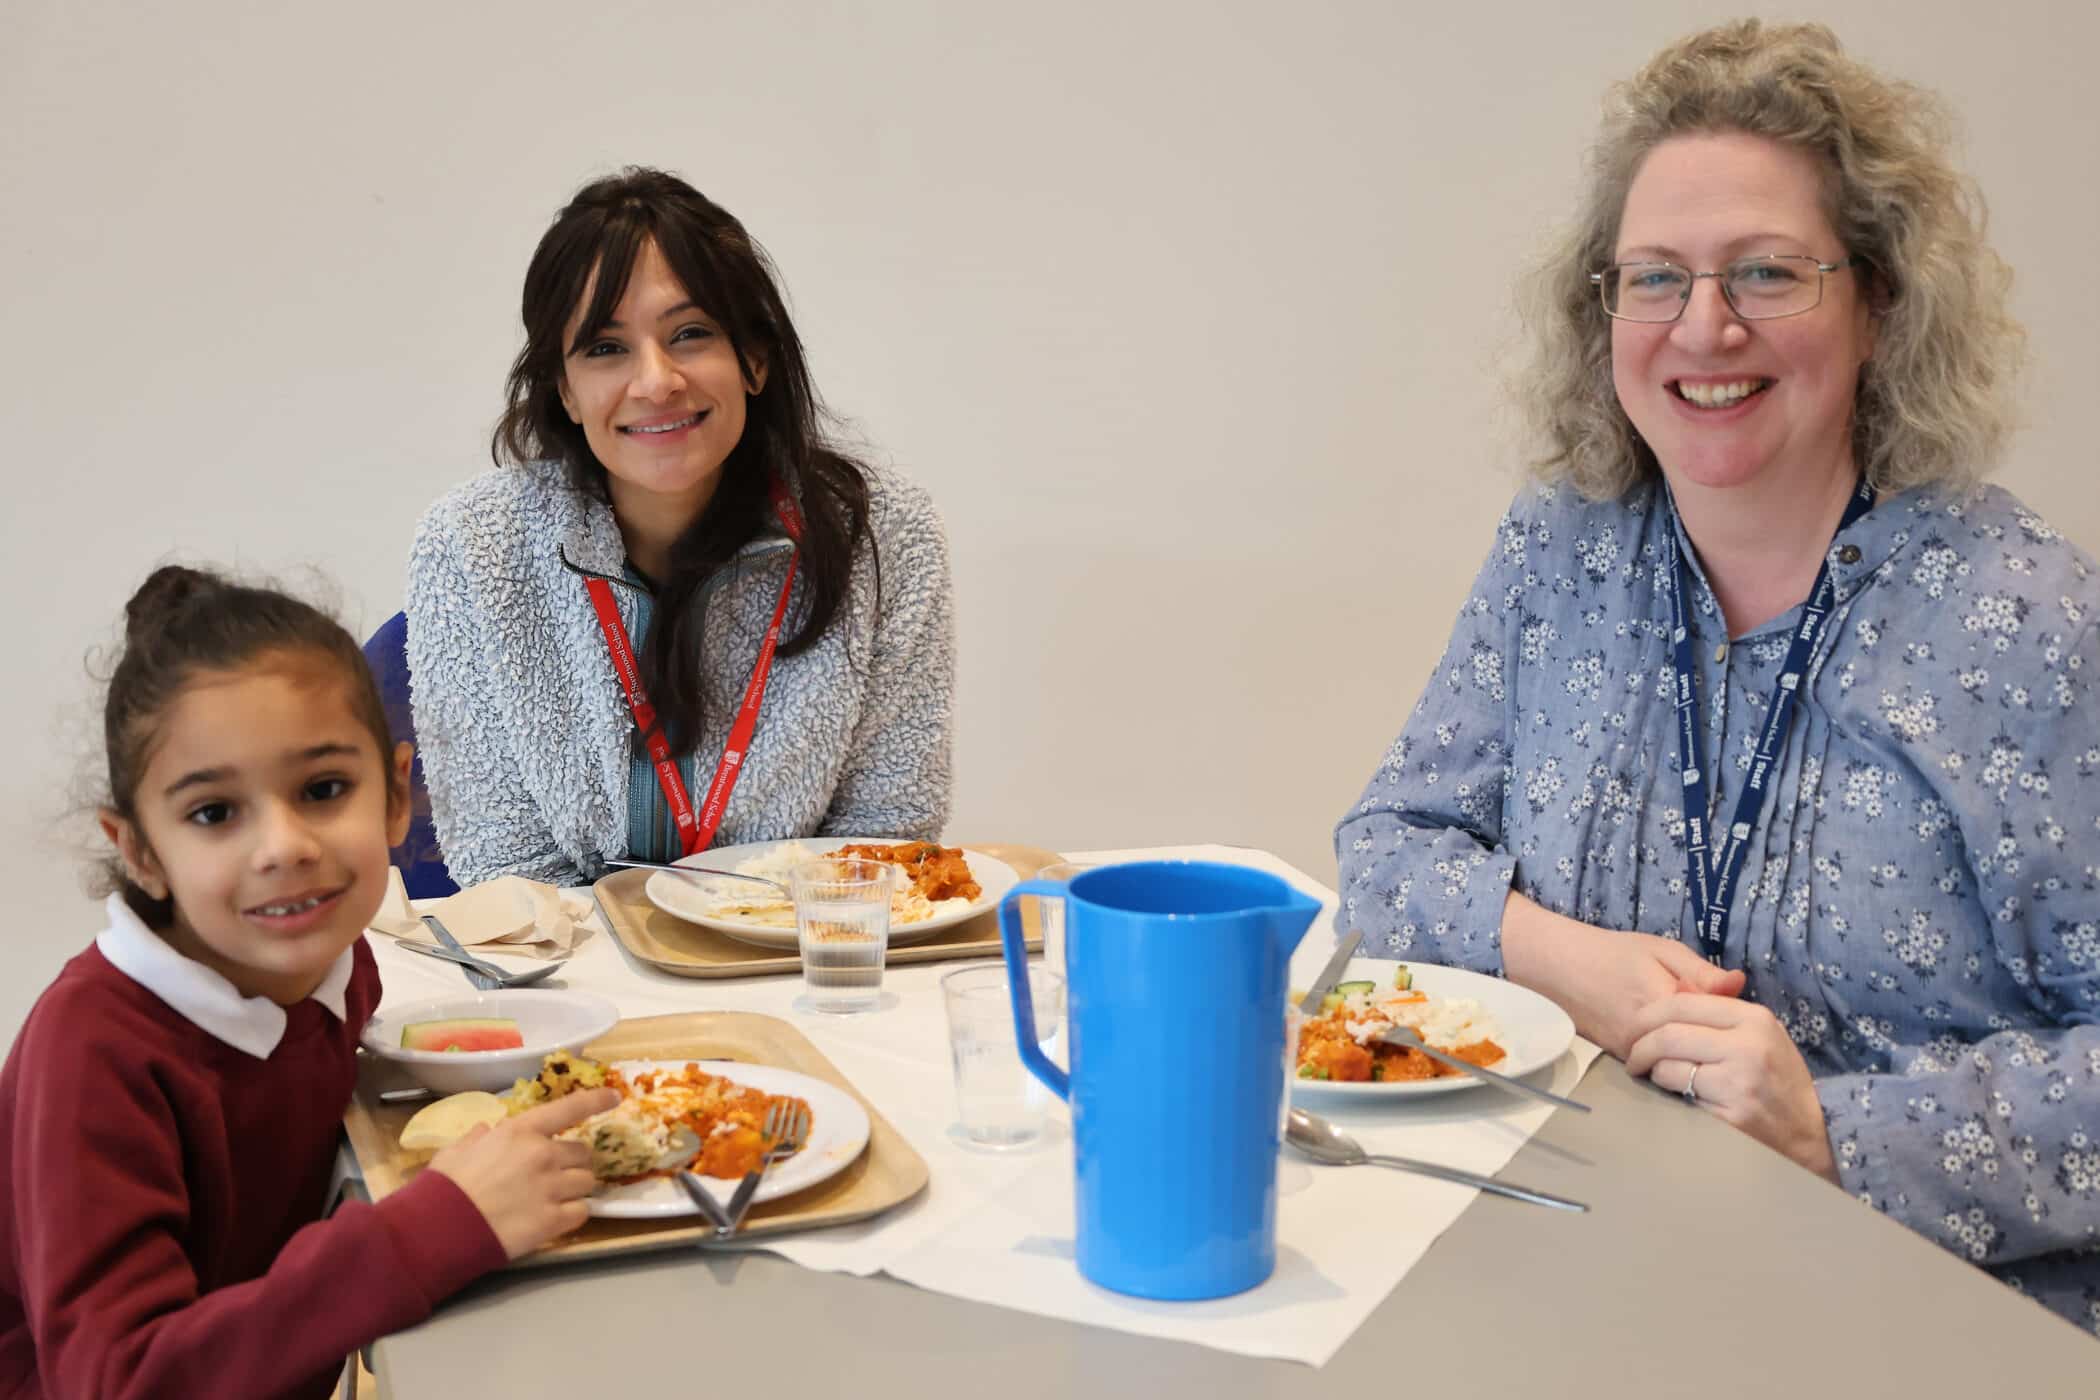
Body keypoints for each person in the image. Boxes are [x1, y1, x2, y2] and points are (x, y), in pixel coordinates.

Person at [1335, 20, 2100, 1331]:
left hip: (1918, 1316)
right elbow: (1386, 852)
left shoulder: (2022, 621)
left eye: (1765, 272)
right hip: (1575, 1266)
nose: (1704, 326)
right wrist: (1572, 964)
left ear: (1880, 299)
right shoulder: (1561, 545)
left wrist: (1834, 1132)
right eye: (1654, 278)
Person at [0, 567, 618, 1398]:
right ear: (141, 852)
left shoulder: (335, 965)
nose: (284, 845)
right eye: (215, 813)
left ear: (398, 797)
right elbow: (114, 1379)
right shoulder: (93, 1056)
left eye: (324, 790)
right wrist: (427, 1231)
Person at [407, 168, 955, 888]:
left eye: (690, 334)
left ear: (754, 359)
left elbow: (885, 850)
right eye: (605, 349)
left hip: (799, 968)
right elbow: (507, 872)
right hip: (576, 978)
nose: (656, 380)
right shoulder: (474, 546)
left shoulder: (882, 536)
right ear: (565, 390)